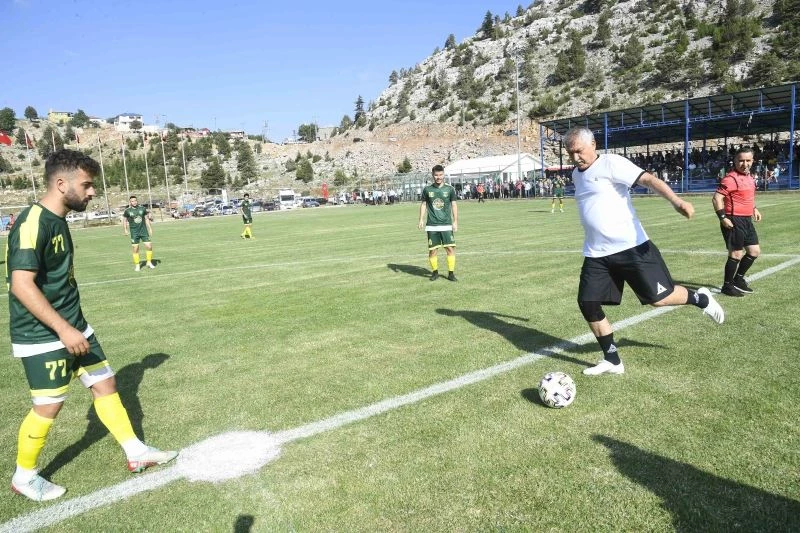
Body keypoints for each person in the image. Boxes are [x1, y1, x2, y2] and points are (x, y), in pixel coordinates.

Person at [5, 149, 177, 502]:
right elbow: (21, 284)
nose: (92, 192)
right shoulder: (32, 222)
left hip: (74, 325)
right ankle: (24, 477)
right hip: (43, 333)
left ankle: (135, 452)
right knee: (48, 406)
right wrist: (63, 330)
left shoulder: (57, 220)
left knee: (105, 383)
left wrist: (74, 326)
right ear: (61, 183)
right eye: (87, 185)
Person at [563, 127, 724, 376]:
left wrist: (677, 201)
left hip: (633, 248)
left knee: (659, 299)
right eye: (570, 153)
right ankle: (612, 360)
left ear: (593, 144)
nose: (575, 158)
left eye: (579, 152)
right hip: (597, 253)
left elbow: (648, 179)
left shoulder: (611, 163)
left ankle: (700, 298)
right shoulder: (576, 174)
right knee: (588, 303)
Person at [712, 146, 762, 297]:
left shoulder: (750, 178)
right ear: (735, 161)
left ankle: (738, 279)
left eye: (748, 160)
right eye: (741, 160)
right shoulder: (730, 178)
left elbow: (747, 197)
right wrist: (722, 218)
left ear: (752, 161)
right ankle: (727, 286)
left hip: (747, 220)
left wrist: (754, 208)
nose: (745, 164)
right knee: (735, 254)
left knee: (754, 251)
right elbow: (717, 198)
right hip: (733, 219)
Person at [418, 165, 458, 281]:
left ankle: (451, 274)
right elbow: (424, 204)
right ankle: (435, 273)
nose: (438, 177)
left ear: (444, 175)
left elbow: (454, 205)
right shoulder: (427, 189)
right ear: (432, 175)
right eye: (436, 175)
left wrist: (455, 221)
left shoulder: (450, 189)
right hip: (432, 225)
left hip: (446, 224)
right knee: (432, 250)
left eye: (440, 175)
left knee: (450, 249)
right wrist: (421, 219)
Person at [122, 195, 155, 271]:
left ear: (137, 201)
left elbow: (146, 219)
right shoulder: (127, 211)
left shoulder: (142, 209)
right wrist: (125, 230)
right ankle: (137, 265)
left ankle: (149, 262)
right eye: (132, 201)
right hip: (134, 232)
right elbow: (124, 220)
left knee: (149, 246)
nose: (134, 202)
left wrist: (150, 228)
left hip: (143, 231)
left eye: (135, 200)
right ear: (130, 202)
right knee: (135, 249)